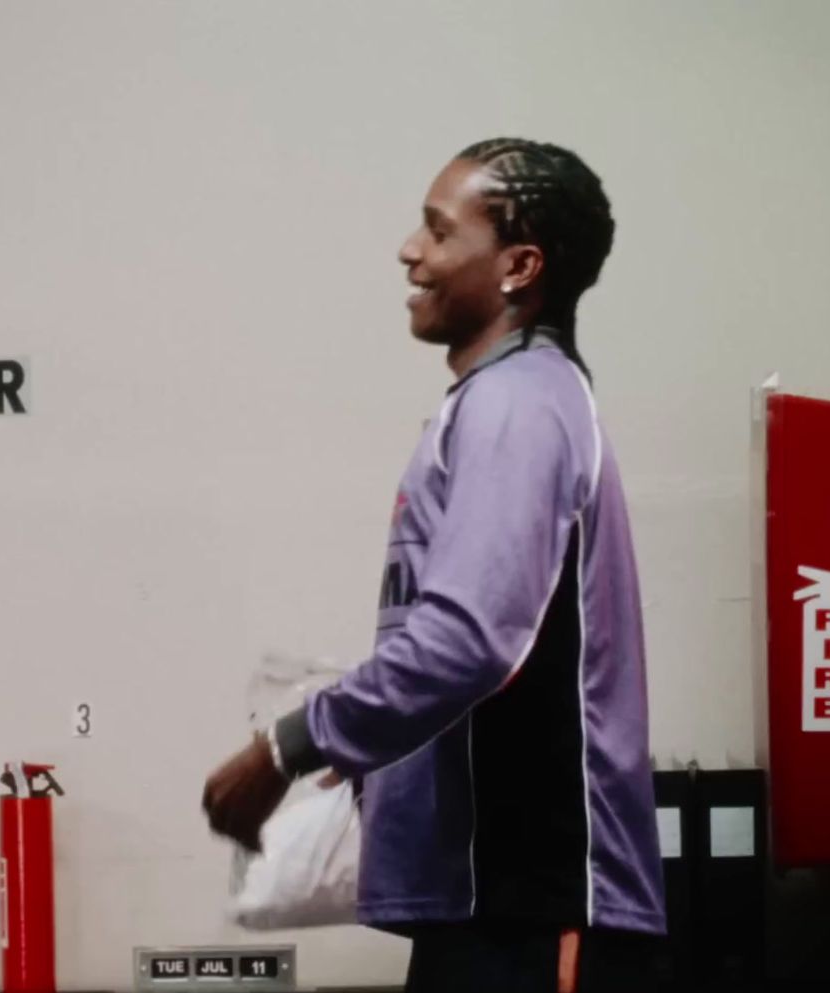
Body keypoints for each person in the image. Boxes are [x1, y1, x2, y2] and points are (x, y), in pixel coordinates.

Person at [203, 138, 665, 992]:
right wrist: (380, 734)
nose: (410, 251)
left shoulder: (518, 408)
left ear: (519, 266)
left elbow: (469, 637)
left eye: (438, 231)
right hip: (487, 909)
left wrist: (287, 745)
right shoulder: (497, 401)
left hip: (537, 909)